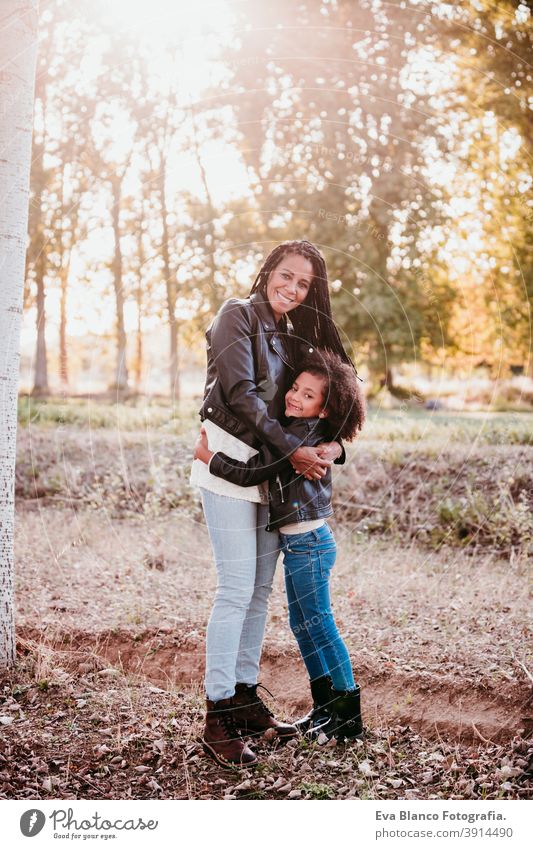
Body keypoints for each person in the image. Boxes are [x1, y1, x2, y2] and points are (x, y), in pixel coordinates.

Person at [189, 240, 355, 767]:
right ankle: (217, 718)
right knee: (236, 590)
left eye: (303, 283)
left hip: (270, 474)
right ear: (267, 273)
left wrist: (332, 447)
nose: (292, 287)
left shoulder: (289, 337)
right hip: (230, 465)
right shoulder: (235, 316)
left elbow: (325, 402)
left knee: (259, 593)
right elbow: (240, 393)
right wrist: (296, 451)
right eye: (285, 275)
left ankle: (243, 700)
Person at [194, 349, 366, 743]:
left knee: (319, 624)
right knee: (303, 626)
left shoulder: (295, 438)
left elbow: (248, 473)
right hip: (298, 546)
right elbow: (336, 443)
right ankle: (325, 708)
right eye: (295, 388)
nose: (294, 397)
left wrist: (206, 455)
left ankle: (347, 715)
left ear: (324, 410)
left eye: (308, 395)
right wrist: (336, 447)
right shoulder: (304, 430)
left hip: (311, 545)